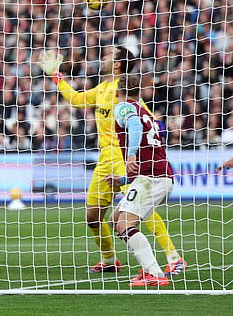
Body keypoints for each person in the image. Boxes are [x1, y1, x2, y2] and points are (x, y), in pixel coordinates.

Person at [37, 46, 185, 275]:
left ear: (117, 64)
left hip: (122, 157)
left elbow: (146, 119)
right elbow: (76, 100)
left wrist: (141, 151)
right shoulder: (101, 89)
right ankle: (109, 259)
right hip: (104, 158)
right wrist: (56, 76)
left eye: (108, 56)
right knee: (92, 215)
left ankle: (174, 257)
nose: (103, 58)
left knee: (136, 207)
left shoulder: (124, 92)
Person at [105, 74, 174, 286]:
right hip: (152, 175)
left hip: (152, 177)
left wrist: (132, 154)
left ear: (118, 93)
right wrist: (124, 178)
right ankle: (147, 269)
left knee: (124, 224)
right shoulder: (145, 111)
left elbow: (134, 125)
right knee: (115, 221)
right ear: (140, 92)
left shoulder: (124, 108)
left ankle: (155, 274)